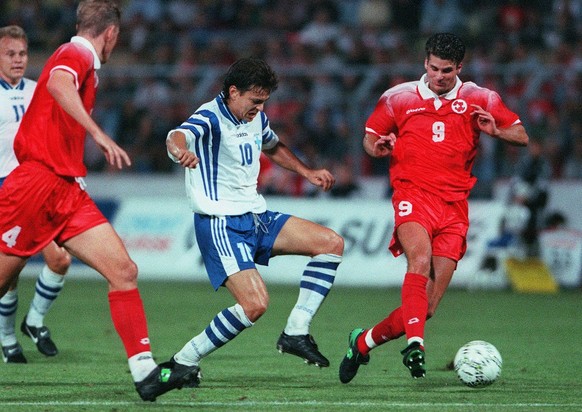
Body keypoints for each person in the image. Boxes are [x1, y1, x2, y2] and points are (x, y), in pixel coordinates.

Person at [0, 1, 199, 401]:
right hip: (35, 186)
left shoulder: (81, 57)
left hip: (66, 189)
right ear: (111, 34)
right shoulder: (77, 53)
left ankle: (144, 373)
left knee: (123, 269)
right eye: (116, 37)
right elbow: (57, 84)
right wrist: (98, 133)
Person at [338, 32, 529, 383]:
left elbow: (521, 133)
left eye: (447, 70)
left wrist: (496, 132)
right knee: (419, 260)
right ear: (425, 62)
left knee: (426, 308)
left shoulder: (479, 97)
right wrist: (378, 146)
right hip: (413, 195)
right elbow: (368, 139)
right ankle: (415, 345)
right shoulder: (397, 97)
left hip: (455, 206)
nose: (439, 76)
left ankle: (362, 342)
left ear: (460, 67)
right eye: (434, 68)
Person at [165, 57, 344, 378]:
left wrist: (307, 171)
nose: (260, 108)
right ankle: (184, 360)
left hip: (256, 215)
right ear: (233, 92)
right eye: (255, 101)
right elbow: (176, 136)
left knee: (330, 243)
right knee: (254, 305)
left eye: (264, 101)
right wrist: (181, 152)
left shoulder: (255, 119)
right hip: (221, 223)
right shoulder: (210, 116)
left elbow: (273, 146)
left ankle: (296, 331)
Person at [0, 25, 72, 365]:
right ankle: (8, 338)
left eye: (22, 54)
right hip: (5, 190)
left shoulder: (38, 90)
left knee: (60, 259)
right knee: (10, 274)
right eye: (10, 54)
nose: (18, 60)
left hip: (38, 187)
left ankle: (35, 320)